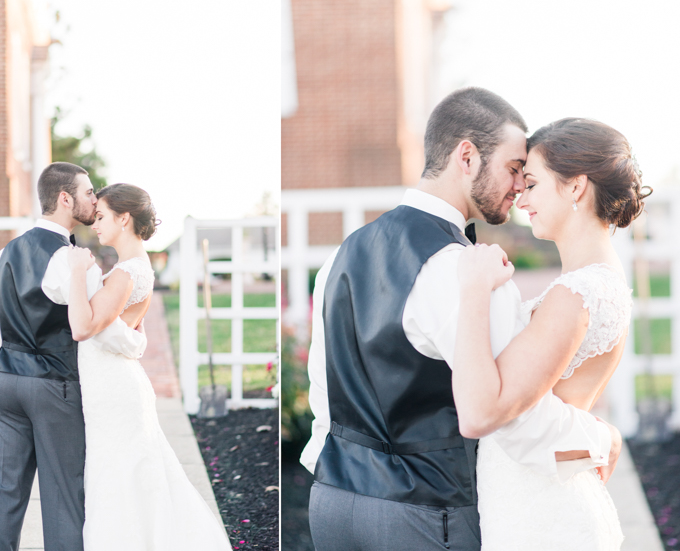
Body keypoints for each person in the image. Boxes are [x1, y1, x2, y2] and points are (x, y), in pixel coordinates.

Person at [301, 88, 623, 550]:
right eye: (515, 169)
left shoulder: (342, 252)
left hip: (331, 503)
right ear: (467, 157)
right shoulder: (471, 272)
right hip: (423, 513)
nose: (519, 186)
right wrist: (600, 438)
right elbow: (513, 419)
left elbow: (324, 388)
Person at [452, 118, 650, 549]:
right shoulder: (599, 282)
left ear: (576, 187)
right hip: (541, 500)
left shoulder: (575, 293)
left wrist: (473, 291)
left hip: (543, 517)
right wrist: (602, 437)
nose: (522, 199)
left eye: (533, 184)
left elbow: (483, 411)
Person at [60, 183, 231, 551]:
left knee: (118, 480)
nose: (95, 224)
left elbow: (83, 327)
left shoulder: (126, 274)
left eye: (102, 216)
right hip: (113, 388)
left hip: (113, 393)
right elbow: (121, 332)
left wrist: (76, 272)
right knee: (128, 479)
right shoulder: (135, 269)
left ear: (124, 219)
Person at [0, 162, 144, 551]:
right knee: (63, 497)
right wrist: (136, 341)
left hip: (5, 381)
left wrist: (0, 369)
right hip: (53, 387)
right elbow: (97, 333)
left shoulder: (3, 254)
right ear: (65, 198)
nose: (95, 198)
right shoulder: (75, 261)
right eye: (89, 193)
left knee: (6, 492)